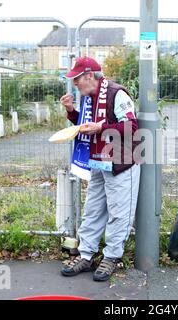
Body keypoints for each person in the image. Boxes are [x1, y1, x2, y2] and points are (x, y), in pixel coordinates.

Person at [59, 57, 140, 281]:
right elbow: (87, 126)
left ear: (89, 76)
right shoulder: (88, 98)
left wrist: (101, 127)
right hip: (98, 160)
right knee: (93, 209)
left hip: (122, 161)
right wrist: (71, 111)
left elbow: (132, 126)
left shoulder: (116, 93)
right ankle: (86, 255)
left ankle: (112, 257)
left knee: (119, 212)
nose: (75, 84)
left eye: (77, 79)